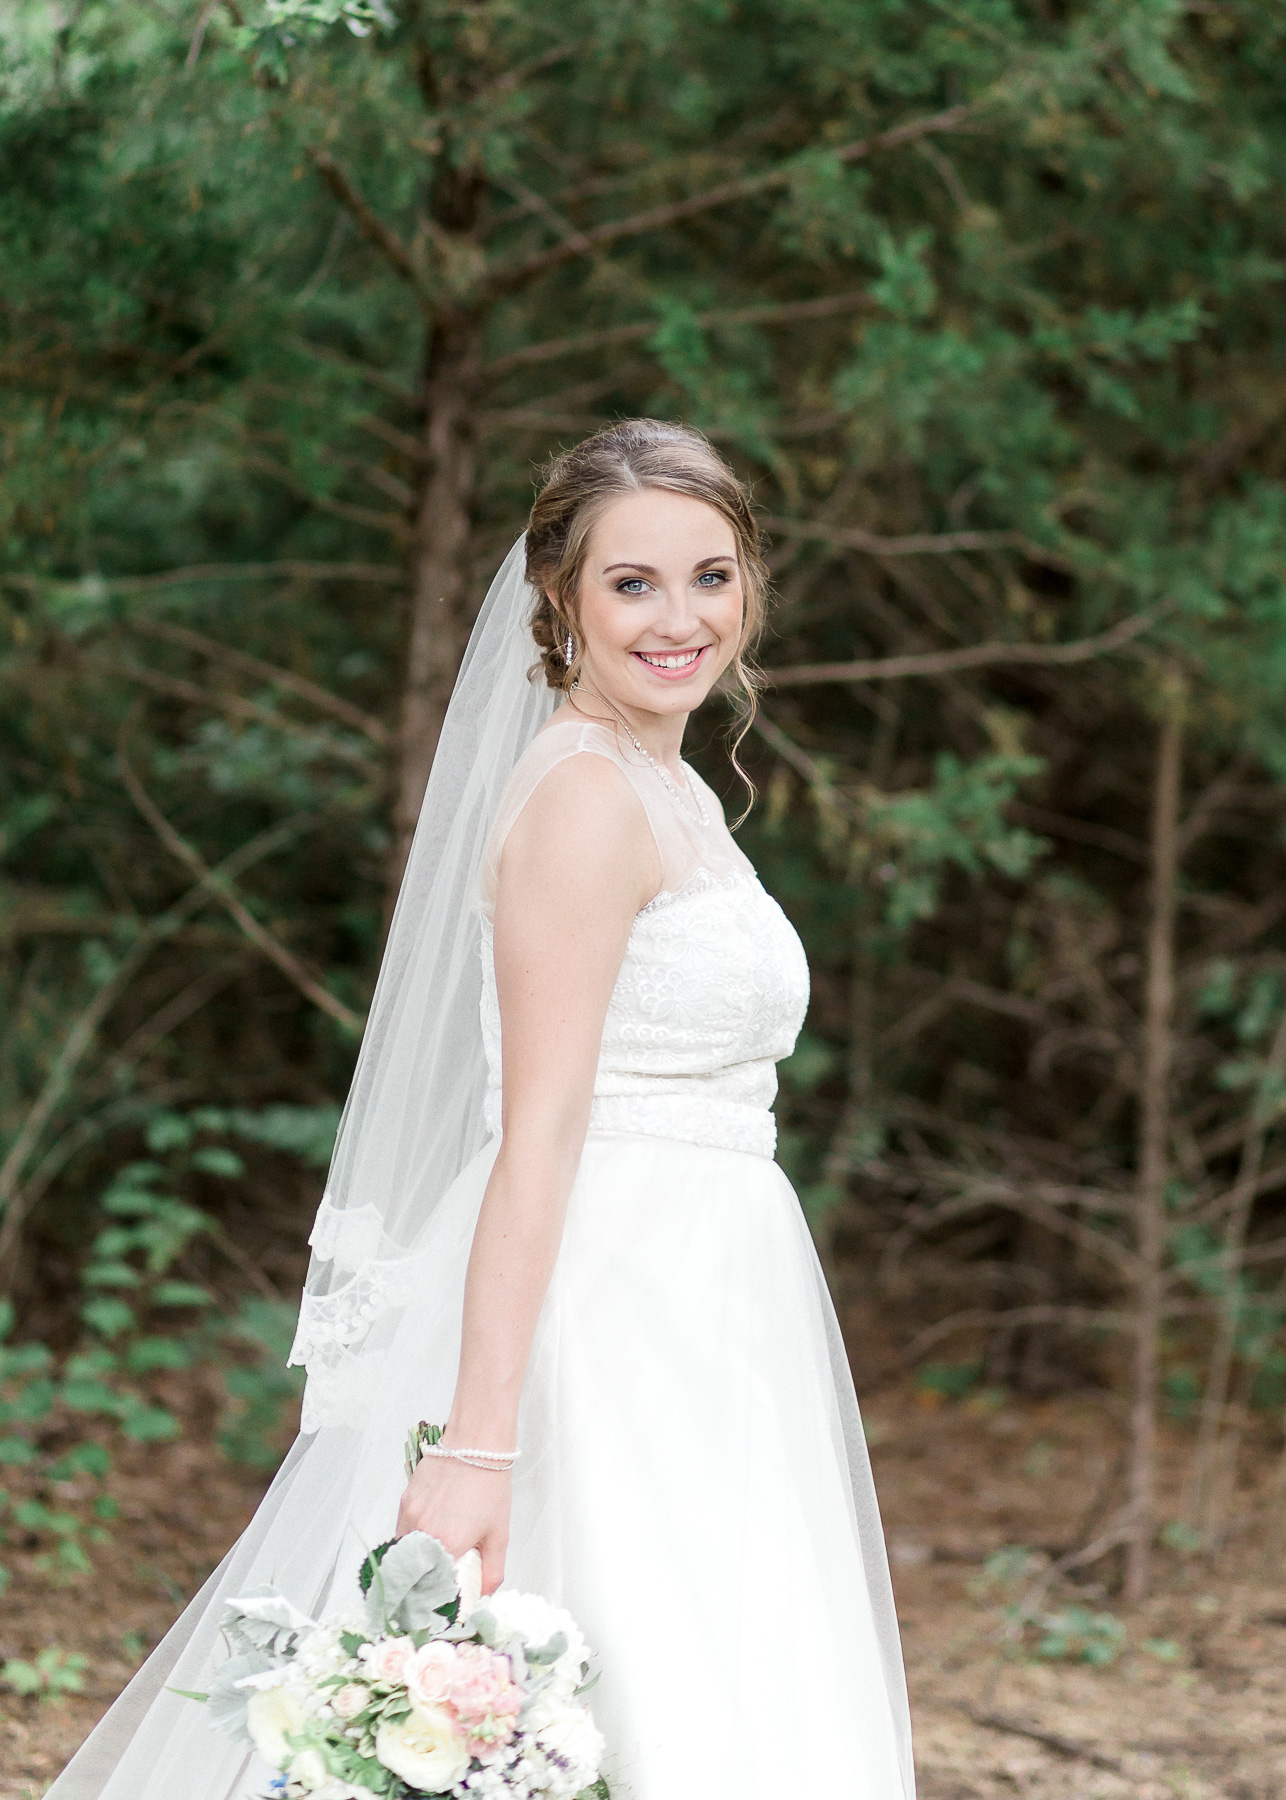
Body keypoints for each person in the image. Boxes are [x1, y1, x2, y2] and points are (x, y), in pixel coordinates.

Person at [48, 420, 916, 1799]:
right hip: (602, 1302)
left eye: (709, 574)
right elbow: (541, 1128)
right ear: (561, 600)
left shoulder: (667, 784)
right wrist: (478, 1442)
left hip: (710, 1302)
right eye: (630, 583)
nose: (678, 617)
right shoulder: (583, 797)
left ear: (752, 584)